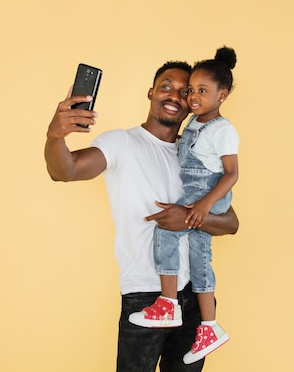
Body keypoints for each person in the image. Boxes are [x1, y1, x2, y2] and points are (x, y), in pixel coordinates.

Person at [44, 60, 239, 372]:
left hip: (195, 299)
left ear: (193, 101)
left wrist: (187, 217)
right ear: (151, 92)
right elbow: (65, 171)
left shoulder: (198, 153)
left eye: (184, 91)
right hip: (147, 295)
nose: (174, 96)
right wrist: (55, 137)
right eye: (166, 87)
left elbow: (230, 223)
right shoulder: (121, 142)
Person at [128, 47, 240, 364]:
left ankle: (167, 303)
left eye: (202, 91)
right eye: (192, 90)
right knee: (199, 257)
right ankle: (209, 326)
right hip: (197, 191)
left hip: (206, 192)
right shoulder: (196, 121)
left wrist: (204, 205)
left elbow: (231, 173)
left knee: (166, 232)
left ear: (222, 95)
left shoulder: (223, 129)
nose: (192, 96)